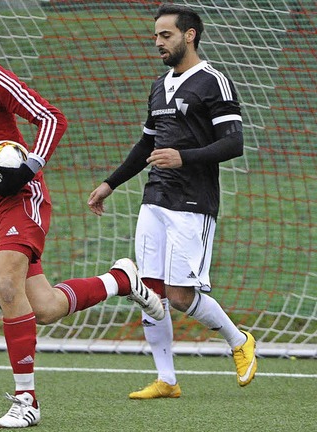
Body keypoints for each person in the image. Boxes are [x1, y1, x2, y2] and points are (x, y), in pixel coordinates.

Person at [0, 21, 164, 428]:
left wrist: (29, 168)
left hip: (21, 199)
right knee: (44, 307)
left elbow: (51, 118)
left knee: (7, 285)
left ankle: (27, 400)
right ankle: (120, 280)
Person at [88, 3, 257, 400]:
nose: (158, 42)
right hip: (155, 197)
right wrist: (110, 184)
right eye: (156, 36)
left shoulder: (214, 81)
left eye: (165, 35)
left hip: (193, 202)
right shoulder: (159, 85)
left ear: (189, 35)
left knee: (180, 296)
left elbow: (234, 143)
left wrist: (184, 157)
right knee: (149, 292)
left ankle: (239, 340)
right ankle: (167, 379)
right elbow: (148, 143)